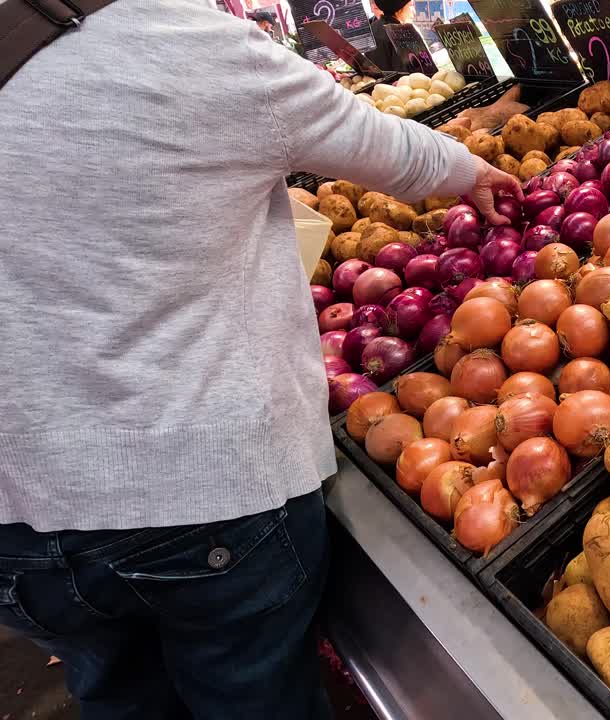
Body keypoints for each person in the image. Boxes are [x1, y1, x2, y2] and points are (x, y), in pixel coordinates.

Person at [0, 2, 520, 719]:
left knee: (117, 695)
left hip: (17, 520)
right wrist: (469, 170)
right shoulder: (185, 41)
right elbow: (375, 143)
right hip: (204, 494)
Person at [367, 0, 418, 72]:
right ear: (399, 9)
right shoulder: (401, 33)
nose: (414, 12)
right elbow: (407, 71)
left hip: (374, 81)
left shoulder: (372, 27)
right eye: (411, 5)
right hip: (395, 82)